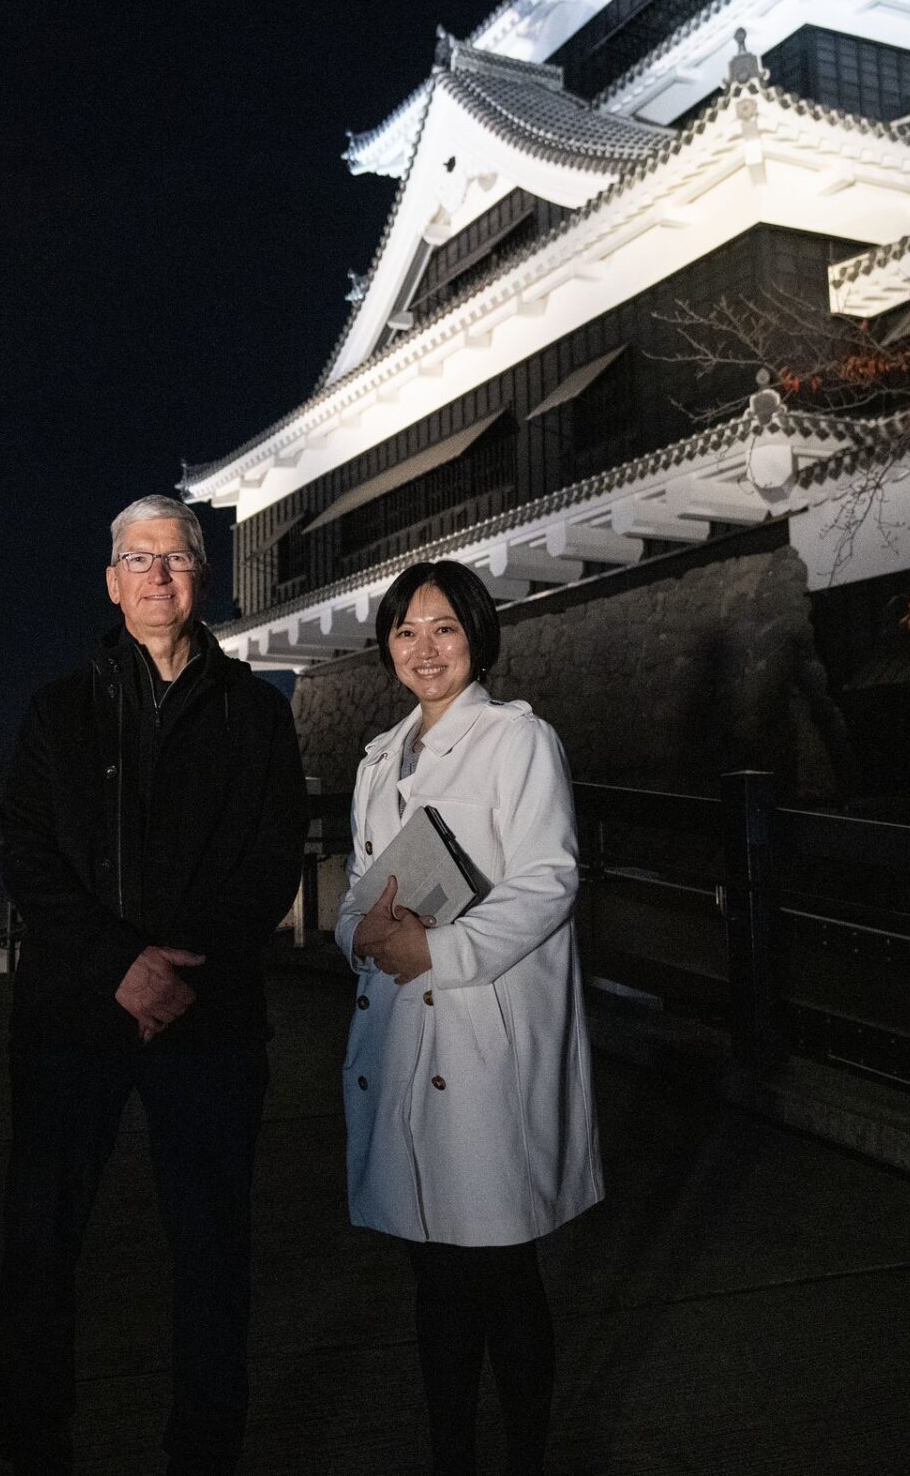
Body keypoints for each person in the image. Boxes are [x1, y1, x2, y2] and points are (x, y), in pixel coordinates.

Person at [0, 494, 307, 1475]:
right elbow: (28, 854)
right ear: (110, 580)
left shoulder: (255, 709)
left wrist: (176, 970)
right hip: (72, 1017)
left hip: (208, 1019)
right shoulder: (57, 709)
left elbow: (269, 858)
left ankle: (204, 1451)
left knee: (212, 1252)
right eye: (138, 558)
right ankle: (33, 1445)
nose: (158, 575)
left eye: (176, 558)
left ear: (202, 577)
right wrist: (116, 965)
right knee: (43, 1245)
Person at [338, 560, 603, 1476]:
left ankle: (523, 1456)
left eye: (445, 628)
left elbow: (549, 881)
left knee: (497, 1263)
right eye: (407, 631)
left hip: (482, 1036)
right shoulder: (382, 757)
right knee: (430, 1261)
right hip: (405, 1031)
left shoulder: (518, 742)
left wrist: (439, 954)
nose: (425, 648)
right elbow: (357, 894)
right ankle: (452, 1451)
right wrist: (361, 934)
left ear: (477, 637)